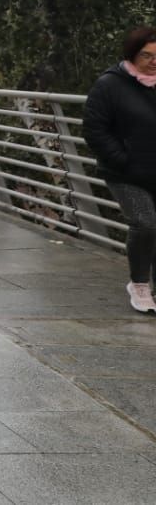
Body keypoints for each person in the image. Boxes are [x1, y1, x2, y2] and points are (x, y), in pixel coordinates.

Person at [83, 26, 156, 314]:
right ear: (132, 55)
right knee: (146, 222)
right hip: (126, 173)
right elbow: (94, 129)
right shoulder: (110, 85)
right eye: (146, 55)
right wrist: (123, 159)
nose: (153, 61)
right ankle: (139, 284)